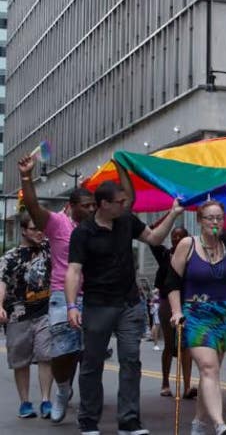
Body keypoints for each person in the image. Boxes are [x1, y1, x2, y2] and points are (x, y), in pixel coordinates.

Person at [66, 179, 184, 435]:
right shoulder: (83, 233)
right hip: (97, 306)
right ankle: (88, 419)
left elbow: (153, 237)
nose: (125, 205)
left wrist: (173, 213)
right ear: (104, 204)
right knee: (92, 363)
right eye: (119, 202)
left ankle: (129, 420)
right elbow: (74, 271)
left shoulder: (127, 221)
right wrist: (71, 305)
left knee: (131, 361)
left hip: (130, 304)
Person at [165, 171, 226, 435]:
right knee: (208, 368)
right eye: (210, 218)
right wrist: (176, 312)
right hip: (195, 314)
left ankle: (199, 423)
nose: (215, 222)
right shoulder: (187, 244)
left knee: (212, 372)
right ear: (200, 221)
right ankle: (220, 424)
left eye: (219, 218)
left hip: (225, 316)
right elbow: (171, 282)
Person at [18, 155, 97, 424]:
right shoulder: (57, 224)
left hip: (95, 296)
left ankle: (87, 408)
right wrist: (26, 177)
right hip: (63, 295)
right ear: (71, 206)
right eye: (85, 206)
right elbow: (32, 205)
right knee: (62, 350)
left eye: (93, 206)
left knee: (86, 353)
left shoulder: (98, 227)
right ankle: (62, 390)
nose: (90, 210)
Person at [0, 214, 53, 419]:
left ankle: (47, 400)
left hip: (44, 312)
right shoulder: (10, 257)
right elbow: (2, 283)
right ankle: (25, 403)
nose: (40, 232)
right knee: (21, 361)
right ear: (23, 230)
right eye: (34, 229)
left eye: (42, 228)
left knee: (45, 356)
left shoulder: (48, 248)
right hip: (18, 315)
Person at [148, 225, 195, 399]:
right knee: (169, 344)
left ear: (187, 238)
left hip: (187, 302)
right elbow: (151, 233)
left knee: (186, 346)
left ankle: (188, 387)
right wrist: (169, 214)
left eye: (180, 236)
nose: (176, 239)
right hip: (167, 302)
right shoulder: (164, 254)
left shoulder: (192, 257)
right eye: (174, 236)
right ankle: (165, 383)